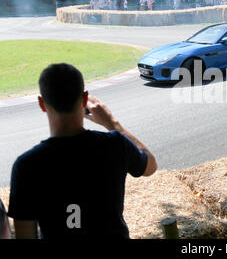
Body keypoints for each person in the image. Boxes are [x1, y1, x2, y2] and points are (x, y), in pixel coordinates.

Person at [8, 63, 158, 239]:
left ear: (42, 104)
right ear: (85, 99)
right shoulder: (116, 144)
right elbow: (151, 166)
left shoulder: (26, 165)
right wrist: (112, 123)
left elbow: (24, 235)